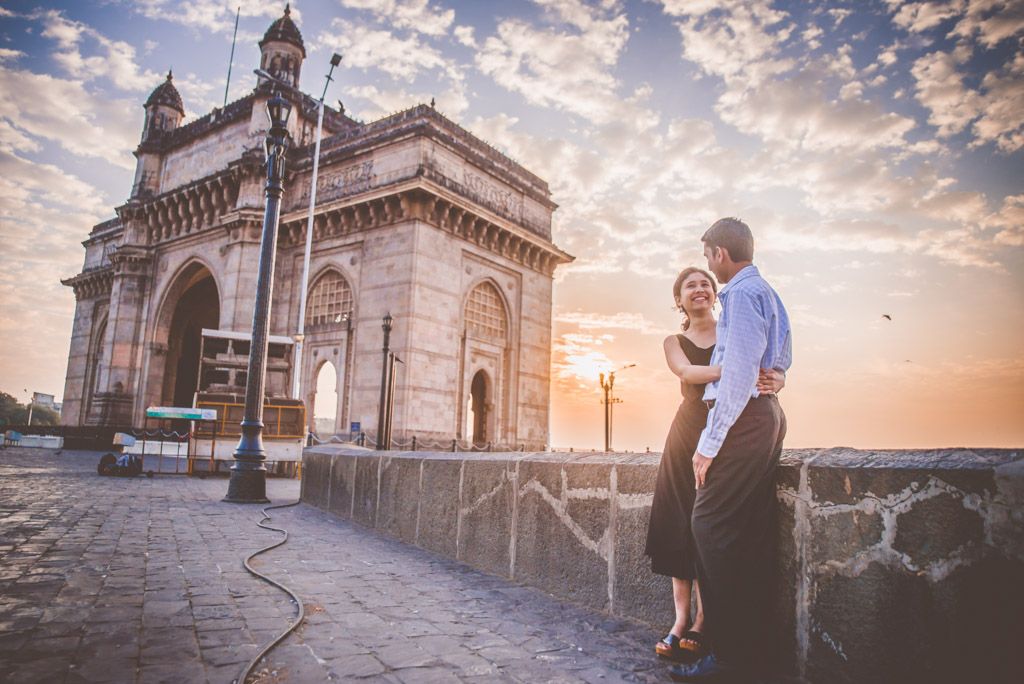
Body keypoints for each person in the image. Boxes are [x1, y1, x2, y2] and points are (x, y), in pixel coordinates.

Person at [669, 218, 792, 683]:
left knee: (709, 525)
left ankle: (730, 656)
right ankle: (756, 649)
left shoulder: (738, 295)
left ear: (720, 253)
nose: (707, 266)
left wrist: (708, 446)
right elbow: (781, 354)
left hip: (743, 421)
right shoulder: (768, 291)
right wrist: (779, 375)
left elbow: (738, 374)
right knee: (749, 531)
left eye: (707, 257)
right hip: (769, 416)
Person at [646, 266, 785, 664]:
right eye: (691, 285)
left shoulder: (733, 329)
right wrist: (734, 372)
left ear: (715, 292)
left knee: (711, 527)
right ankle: (680, 620)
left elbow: (767, 363)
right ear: (680, 300)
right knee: (679, 523)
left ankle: (703, 623)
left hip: (725, 434)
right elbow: (687, 372)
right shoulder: (674, 340)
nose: (700, 288)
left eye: (706, 283)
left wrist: (777, 380)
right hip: (688, 430)